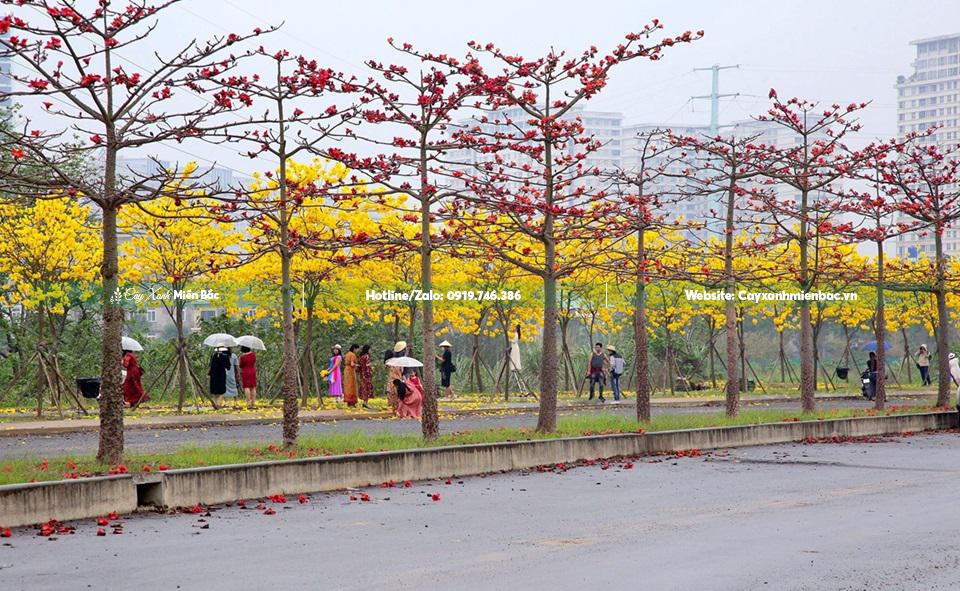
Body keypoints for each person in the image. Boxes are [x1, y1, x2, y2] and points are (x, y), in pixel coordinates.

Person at [386, 341, 406, 412]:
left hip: (391, 379)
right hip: (397, 379)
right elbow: (402, 371)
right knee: (397, 393)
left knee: (392, 393)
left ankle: (393, 408)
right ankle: (397, 408)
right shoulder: (401, 361)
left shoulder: (390, 360)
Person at [238, 345, 258, 410]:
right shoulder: (253, 355)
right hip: (252, 371)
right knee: (253, 387)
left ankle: (248, 403)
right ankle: (253, 403)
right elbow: (254, 362)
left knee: (247, 387)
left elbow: (241, 366)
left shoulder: (242, 357)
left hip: (245, 372)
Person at [357, 344, 374, 410]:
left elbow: (360, 366)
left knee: (364, 388)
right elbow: (367, 366)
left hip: (362, 374)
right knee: (367, 388)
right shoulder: (366, 356)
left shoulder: (361, 357)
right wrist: (371, 367)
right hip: (367, 375)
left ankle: (365, 402)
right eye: (370, 349)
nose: (370, 350)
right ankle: (365, 402)